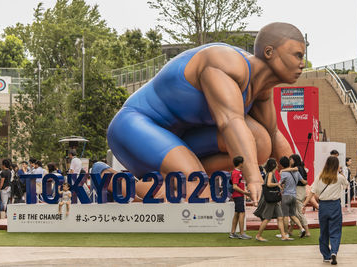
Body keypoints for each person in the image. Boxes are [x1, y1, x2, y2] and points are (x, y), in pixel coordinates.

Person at [107, 22, 306, 202]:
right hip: (134, 127)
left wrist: (301, 186)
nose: (302, 64)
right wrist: (253, 178)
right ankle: (108, 178)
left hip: (181, 137)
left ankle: (181, 177)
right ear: (269, 52)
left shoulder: (260, 88)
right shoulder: (225, 63)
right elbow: (230, 122)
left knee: (261, 142)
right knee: (199, 191)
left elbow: (272, 135)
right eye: (297, 55)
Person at [303, 156, 348, 265]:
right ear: (337, 165)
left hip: (323, 206)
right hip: (335, 205)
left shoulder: (320, 176)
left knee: (324, 231)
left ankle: (326, 255)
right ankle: (334, 251)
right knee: (335, 230)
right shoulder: (339, 177)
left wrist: (304, 204)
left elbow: (312, 192)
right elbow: (346, 186)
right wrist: (341, 173)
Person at [254, 158, 292, 242]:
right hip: (271, 200)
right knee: (267, 218)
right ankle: (258, 235)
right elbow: (268, 184)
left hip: (274, 200)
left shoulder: (270, 174)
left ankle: (283, 235)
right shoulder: (270, 173)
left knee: (280, 217)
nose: (278, 165)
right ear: (273, 165)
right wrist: (278, 184)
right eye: (276, 164)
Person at [279, 156, 307, 238]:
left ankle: (286, 233)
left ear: (281, 164)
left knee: (285, 215)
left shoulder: (283, 173)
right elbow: (304, 182)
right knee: (292, 215)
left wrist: (280, 188)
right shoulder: (297, 173)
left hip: (286, 195)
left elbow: (281, 184)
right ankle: (302, 229)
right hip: (294, 195)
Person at [287, 154, 311, 237]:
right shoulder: (301, 168)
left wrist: (285, 170)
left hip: (298, 191)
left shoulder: (297, 168)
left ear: (294, 160)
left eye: (291, 159)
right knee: (294, 211)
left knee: (299, 212)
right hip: (300, 190)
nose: (290, 161)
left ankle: (307, 231)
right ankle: (290, 230)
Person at [229, 156, 252, 239]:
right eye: (243, 162)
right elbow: (234, 186)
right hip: (238, 196)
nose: (243, 164)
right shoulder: (236, 173)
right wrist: (245, 192)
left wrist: (244, 192)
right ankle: (242, 233)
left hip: (239, 195)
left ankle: (232, 233)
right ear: (240, 163)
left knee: (237, 214)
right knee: (241, 213)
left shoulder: (239, 172)